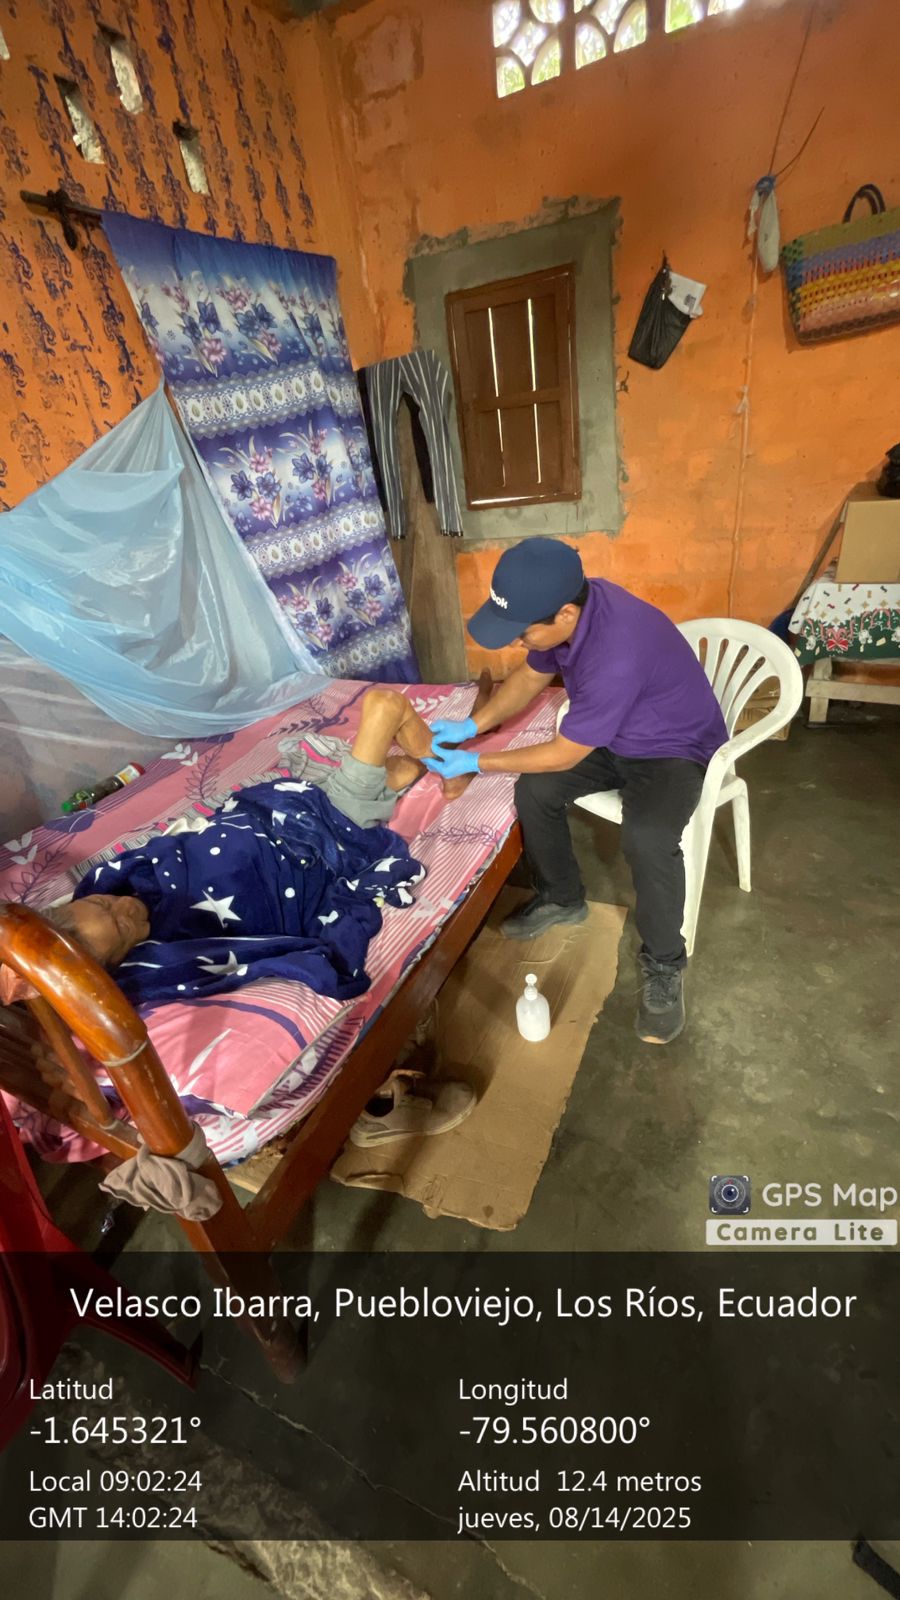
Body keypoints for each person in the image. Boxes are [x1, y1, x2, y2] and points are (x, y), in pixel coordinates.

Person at [423, 538, 728, 1045]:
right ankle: (562, 898)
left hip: (673, 748)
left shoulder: (616, 651)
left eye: (524, 632)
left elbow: (564, 753)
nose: (519, 642)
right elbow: (529, 677)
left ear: (565, 614)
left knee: (648, 838)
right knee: (536, 790)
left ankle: (665, 963)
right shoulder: (572, 606)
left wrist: (476, 761)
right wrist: (473, 725)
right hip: (617, 734)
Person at [32, 680, 494, 1008]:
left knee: (395, 771)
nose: (125, 908)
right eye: (123, 926)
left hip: (283, 810)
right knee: (383, 705)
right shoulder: (168, 958)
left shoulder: (115, 887)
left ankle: (430, 762)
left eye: (105, 904)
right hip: (321, 836)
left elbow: (159, 856)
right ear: (121, 958)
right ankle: (451, 769)